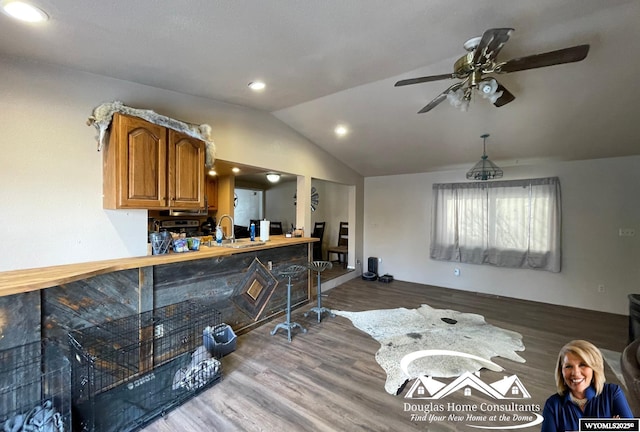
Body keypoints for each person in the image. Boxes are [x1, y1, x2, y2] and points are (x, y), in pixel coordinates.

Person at [541, 339, 634, 432]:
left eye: (583, 365)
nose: (575, 373)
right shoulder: (553, 405)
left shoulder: (612, 393)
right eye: (568, 366)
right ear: (561, 371)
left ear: (594, 368)